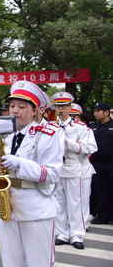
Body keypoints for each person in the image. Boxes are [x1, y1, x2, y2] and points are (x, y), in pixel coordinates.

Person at [0, 81, 63, 267]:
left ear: (35, 111)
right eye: (12, 106)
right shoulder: (4, 132)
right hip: (7, 206)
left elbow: (53, 173)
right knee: (11, 262)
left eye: (22, 107)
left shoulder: (51, 133)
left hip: (36, 207)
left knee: (40, 262)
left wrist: (21, 164)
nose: (15, 111)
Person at [52, 92, 91, 249]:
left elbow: (88, 148)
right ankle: (62, 233)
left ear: (70, 107)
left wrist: (69, 143)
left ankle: (77, 234)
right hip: (56, 168)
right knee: (59, 202)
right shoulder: (50, 126)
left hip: (73, 165)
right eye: (58, 106)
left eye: (63, 106)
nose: (60, 109)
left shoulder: (80, 127)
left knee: (75, 202)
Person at [70, 104, 97, 230]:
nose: (73, 118)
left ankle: (83, 223)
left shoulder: (87, 130)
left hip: (83, 167)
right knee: (70, 199)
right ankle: (71, 224)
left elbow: (92, 147)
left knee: (83, 198)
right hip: (68, 169)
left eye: (75, 116)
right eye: (70, 116)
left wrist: (78, 148)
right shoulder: (62, 130)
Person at [90, 102, 113, 225]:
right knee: (100, 190)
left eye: (98, 111)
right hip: (97, 163)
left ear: (107, 112)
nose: (96, 113)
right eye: (94, 111)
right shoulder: (92, 127)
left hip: (111, 163)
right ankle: (103, 215)